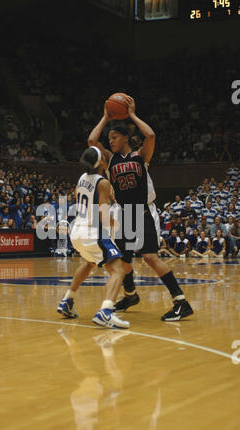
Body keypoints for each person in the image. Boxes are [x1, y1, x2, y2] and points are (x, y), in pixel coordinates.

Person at [87, 96, 193, 322]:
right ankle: (131, 295)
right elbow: (91, 140)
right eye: (110, 138)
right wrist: (106, 117)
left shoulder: (140, 156)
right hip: (124, 214)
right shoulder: (108, 158)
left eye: (115, 137)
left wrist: (132, 115)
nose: (111, 140)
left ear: (126, 137)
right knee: (123, 262)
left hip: (143, 211)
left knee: (150, 257)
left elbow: (151, 135)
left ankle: (181, 302)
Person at [57, 146, 129, 329]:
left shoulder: (82, 178)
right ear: (102, 163)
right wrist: (117, 224)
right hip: (92, 232)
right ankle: (105, 312)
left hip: (77, 231)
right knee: (118, 270)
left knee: (89, 263)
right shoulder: (102, 182)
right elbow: (103, 216)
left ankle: (67, 300)